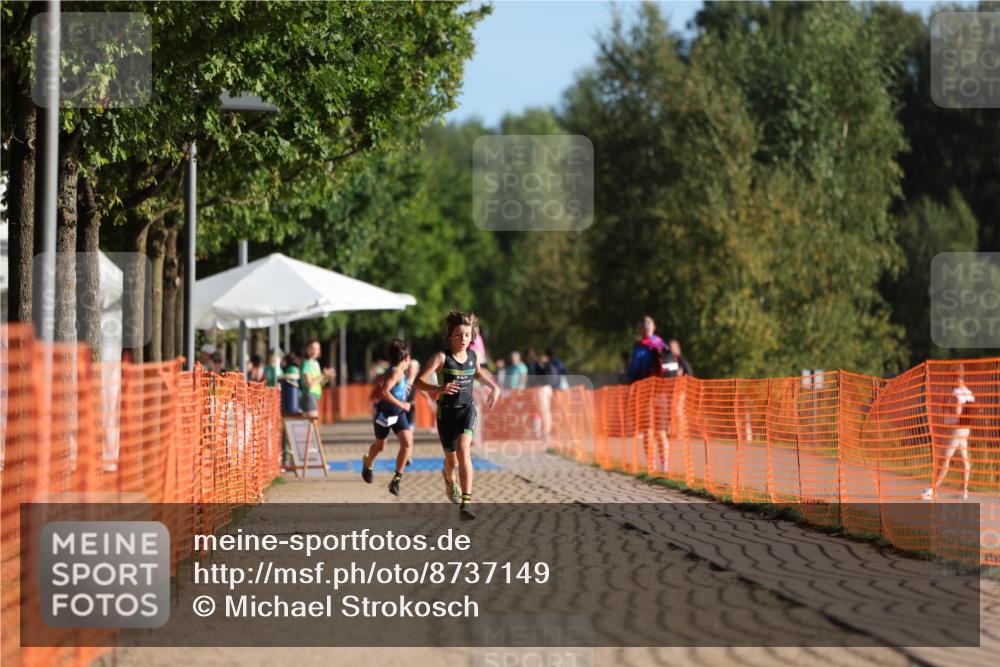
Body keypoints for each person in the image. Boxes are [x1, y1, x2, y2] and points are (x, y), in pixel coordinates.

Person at [414, 310, 500, 520]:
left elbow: (478, 372)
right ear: (450, 336)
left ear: (472, 337)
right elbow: (418, 381)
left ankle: (466, 503)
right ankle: (448, 478)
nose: (463, 339)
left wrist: (493, 387)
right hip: (446, 415)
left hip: (467, 410)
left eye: (467, 335)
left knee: (464, 452)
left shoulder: (473, 356)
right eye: (459, 334)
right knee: (451, 461)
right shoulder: (441, 358)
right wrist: (439, 389)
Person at [360, 340, 415, 496]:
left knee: (407, 443)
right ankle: (368, 462)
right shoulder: (395, 372)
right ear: (406, 359)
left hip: (398, 415)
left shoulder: (399, 373)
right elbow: (384, 392)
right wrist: (403, 404)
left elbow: (392, 387)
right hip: (385, 414)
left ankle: (396, 479)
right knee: (380, 446)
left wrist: (405, 389)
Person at [923, 366, 975, 501]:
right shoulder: (969, 392)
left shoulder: (956, 392)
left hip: (955, 429)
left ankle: (933, 489)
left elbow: (956, 412)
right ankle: (963, 490)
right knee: (964, 459)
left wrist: (944, 404)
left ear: (954, 377)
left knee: (945, 459)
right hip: (965, 429)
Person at [300, 340, 335, 420]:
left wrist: (327, 377)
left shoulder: (316, 363)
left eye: (317, 348)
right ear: (307, 349)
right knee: (312, 423)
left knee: (311, 425)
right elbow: (309, 384)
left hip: (314, 396)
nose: (315, 351)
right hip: (308, 396)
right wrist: (323, 375)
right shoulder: (306, 363)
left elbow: (319, 383)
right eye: (313, 348)